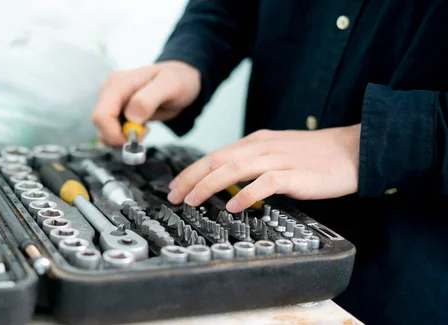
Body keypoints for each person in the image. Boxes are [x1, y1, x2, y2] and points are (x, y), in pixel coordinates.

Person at [91, 1, 448, 324]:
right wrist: (189, 60)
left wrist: (371, 145)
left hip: (402, 286)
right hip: (247, 247)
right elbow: (230, 9)